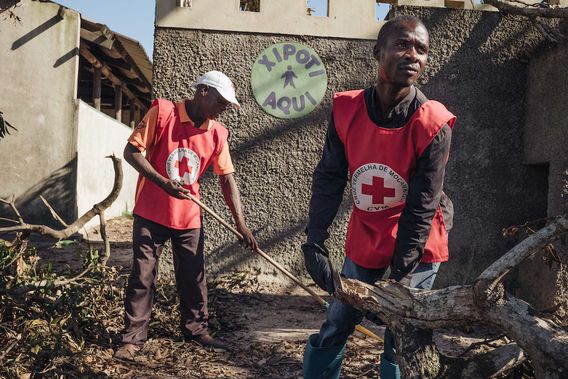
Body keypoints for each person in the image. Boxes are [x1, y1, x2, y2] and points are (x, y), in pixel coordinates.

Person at [301, 16, 456, 379]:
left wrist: (398, 285)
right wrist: (314, 243)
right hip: (368, 230)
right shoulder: (346, 110)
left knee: (401, 333)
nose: (413, 55)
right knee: (337, 320)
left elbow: (421, 207)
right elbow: (329, 179)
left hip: (418, 238)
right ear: (378, 52)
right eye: (403, 44)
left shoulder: (433, 124)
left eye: (422, 49)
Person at [114, 71, 258, 359]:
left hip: (189, 217)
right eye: (222, 100)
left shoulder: (218, 133)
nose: (225, 107)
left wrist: (240, 222)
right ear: (203, 91)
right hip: (151, 211)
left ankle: (196, 332)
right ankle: (132, 339)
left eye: (229, 103)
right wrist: (163, 183)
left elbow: (227, 178)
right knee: (143, 275)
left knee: (194, 277)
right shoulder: (164, 111)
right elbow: (131, 152)